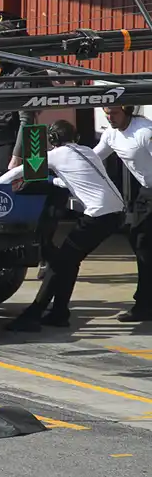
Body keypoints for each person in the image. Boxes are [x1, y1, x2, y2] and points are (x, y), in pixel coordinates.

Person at [0, 120, 125, 331]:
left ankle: (33, 315)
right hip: (116, 212)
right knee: (68, 261)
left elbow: (16, 173)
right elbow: (71, 180)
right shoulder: (87, 151)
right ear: (76, 138)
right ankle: (59, 312)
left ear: (52, 140)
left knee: (58, 264)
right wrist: (51, 180)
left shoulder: (56, 154)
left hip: (99, 215)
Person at [93, 104, 152, 323]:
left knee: (142, 240)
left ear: (127, 111)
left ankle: (145, 304)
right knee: (140, 242)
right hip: (145, 192)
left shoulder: (145, 131)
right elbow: (92, 157)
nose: (110, 118)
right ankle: (145, 303)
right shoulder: (110, 135)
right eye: (107, 114)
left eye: (114, 114)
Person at [0, 20, 46, 171]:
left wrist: (17, 156)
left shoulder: (21, 72)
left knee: (6, 191)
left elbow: (26, 118)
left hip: (11, 144)